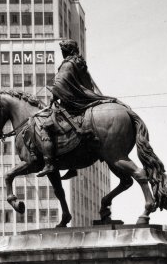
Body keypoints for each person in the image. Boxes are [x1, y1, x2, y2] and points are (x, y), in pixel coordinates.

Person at [37, 39, 115, 177]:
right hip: (81, 100)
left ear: (67, 50)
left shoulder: (67, 64)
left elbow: (61, 82)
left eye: (63, 51)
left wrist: (54, 95)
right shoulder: (80, 63)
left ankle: (49, 164)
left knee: (46, 126)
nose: (62, 53)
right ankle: (72, 166)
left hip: (72, 102)